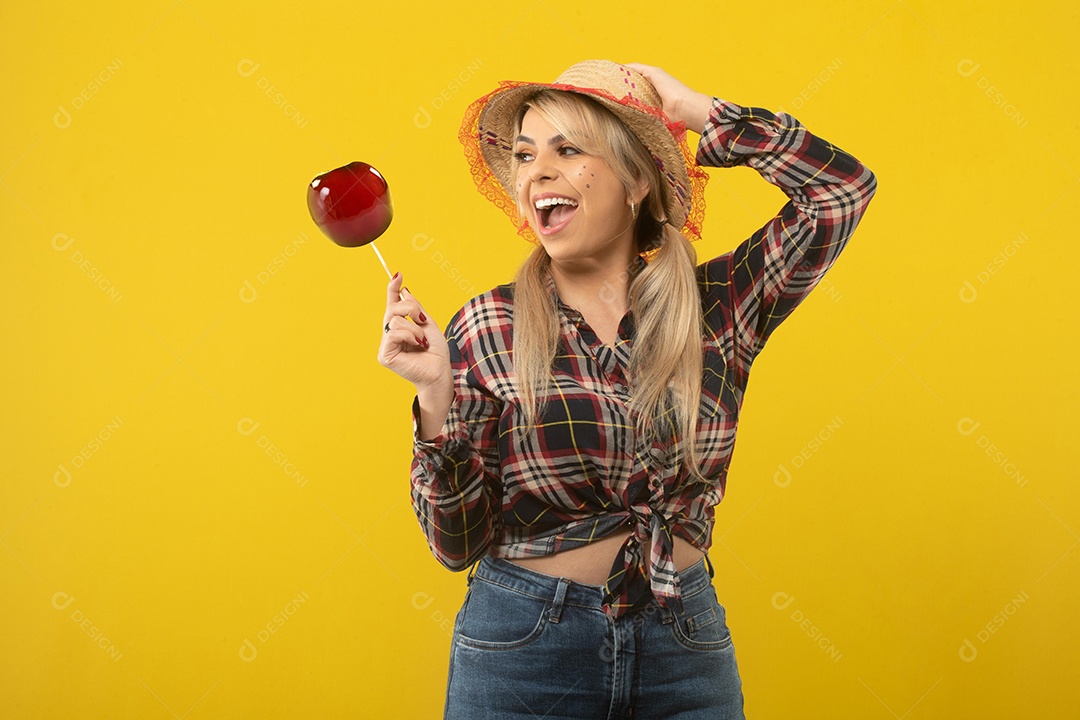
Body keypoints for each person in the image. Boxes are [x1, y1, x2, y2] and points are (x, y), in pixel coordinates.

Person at [378, 59, 877, 720]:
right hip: (523, 649)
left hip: (683, 644)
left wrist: (700, 112)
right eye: (526, 154)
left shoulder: (719, 306)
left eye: (568, 148)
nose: (537, 172)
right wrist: (435, 400)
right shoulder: (488, 325)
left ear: (637, 179)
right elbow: (454, 544)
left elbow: (841, 192)